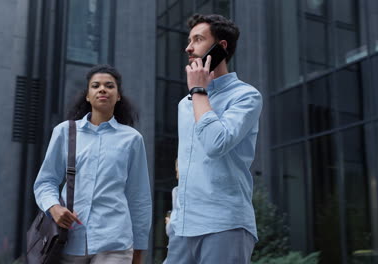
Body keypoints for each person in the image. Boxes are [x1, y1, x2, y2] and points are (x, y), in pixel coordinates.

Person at [34, 64, 152, 264]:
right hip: (69, 240)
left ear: (118, 95)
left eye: (109, 86)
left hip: (115, 241)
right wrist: (53, 207)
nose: (102, 89)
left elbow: (138, 197)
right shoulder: (65, 132)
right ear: (88, 96)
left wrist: (139, 249)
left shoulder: (132, 139)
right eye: (95, 86)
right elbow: (45, 181)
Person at [171, 14, 263, 263]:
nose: (188, 48)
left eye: (198, 39)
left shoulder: (246, 96)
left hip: (224, 223)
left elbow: (216, 144)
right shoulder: (185, 104)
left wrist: (199, 90)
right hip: (183, 227)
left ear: (221, 47)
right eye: (189, 40)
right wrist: (175, 221)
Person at [162, 160, 189, 264]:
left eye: (177, 169)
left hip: (181, 249)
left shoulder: (180, 192)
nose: (176, 173)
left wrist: (169, 223)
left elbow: (173, 227)